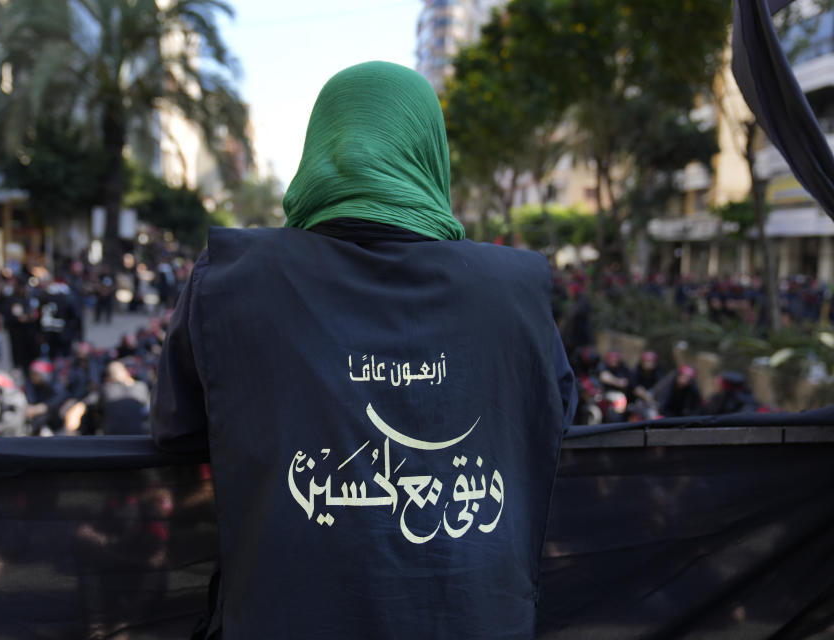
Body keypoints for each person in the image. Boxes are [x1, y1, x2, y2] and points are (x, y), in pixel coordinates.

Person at [150, 62, 576, 639]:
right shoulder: (513, 288)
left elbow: (177, 428)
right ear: (430, 153)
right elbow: (555, 416)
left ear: (321, 150)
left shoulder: (232, 279)